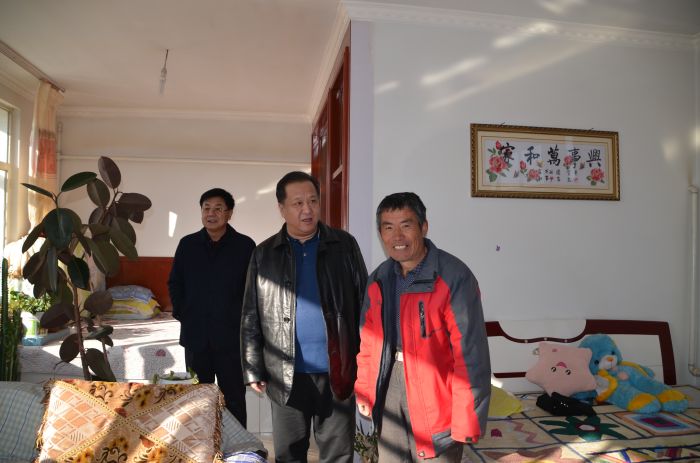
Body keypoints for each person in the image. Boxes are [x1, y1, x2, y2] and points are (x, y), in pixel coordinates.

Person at [241, 171, 367, 462]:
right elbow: (250, 314)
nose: (307, 209)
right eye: (298, 203)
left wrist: (365, 363)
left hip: (338, 371)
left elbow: (364, 305)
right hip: (285, 374)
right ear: (281, 208)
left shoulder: (344, 246)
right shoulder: (264, 254)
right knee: (289, 455)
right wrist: (252, 367)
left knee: (339, 454)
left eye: (313, 201)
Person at [355, 192, 491, 462]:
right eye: (388, 228)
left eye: (406, 225)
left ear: (424, 227)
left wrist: (466, 419)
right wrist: (365, 392)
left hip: (436, 391)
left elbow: (470, 353)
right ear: (381, 233)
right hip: (388, 382)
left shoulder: (453, 276)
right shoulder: (379, 278)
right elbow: (368, 343)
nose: (397, 236)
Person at [168, 188, 255, 426]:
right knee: (197, 399)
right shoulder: (188, 245)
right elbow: (175, 283)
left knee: (234, 399)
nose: (211, 213)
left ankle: (237, 446)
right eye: (206, 208)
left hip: (231, 339)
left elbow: (253, 290)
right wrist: (183, 313)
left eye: (218, 208)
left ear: (229, 213)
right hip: (196, 337)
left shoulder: (245, 246)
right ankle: (200, 445)